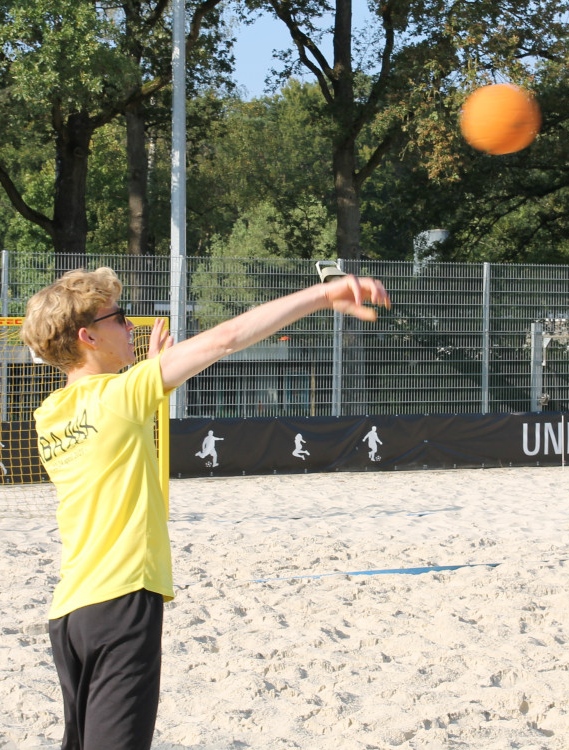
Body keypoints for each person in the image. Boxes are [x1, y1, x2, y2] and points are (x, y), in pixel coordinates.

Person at [20, 266, 389, 750]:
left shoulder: (52, 413)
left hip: (71, 615)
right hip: (123, 600)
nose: (129, 325)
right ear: (87, 336)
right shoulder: (122, 398)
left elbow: (112, 432)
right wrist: (322, 295)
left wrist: (149, 378)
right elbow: (227, 339)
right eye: (119, 318)